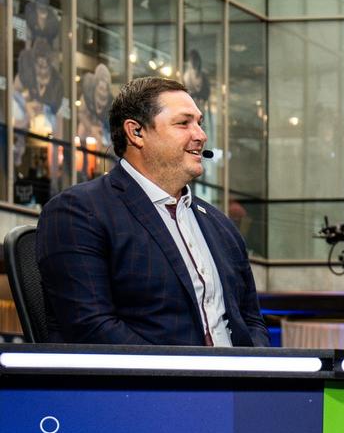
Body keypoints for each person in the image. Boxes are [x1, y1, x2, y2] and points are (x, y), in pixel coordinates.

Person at [36, 76, 267, 346]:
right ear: (136, 132)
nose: (201, 136)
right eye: (184, 123)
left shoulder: (220, 225)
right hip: (150, 385)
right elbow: (92, 328)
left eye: (199, 123)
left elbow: (252, 321)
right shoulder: (78, 213)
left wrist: (256, 371)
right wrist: (184, 377)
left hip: (237, 383)